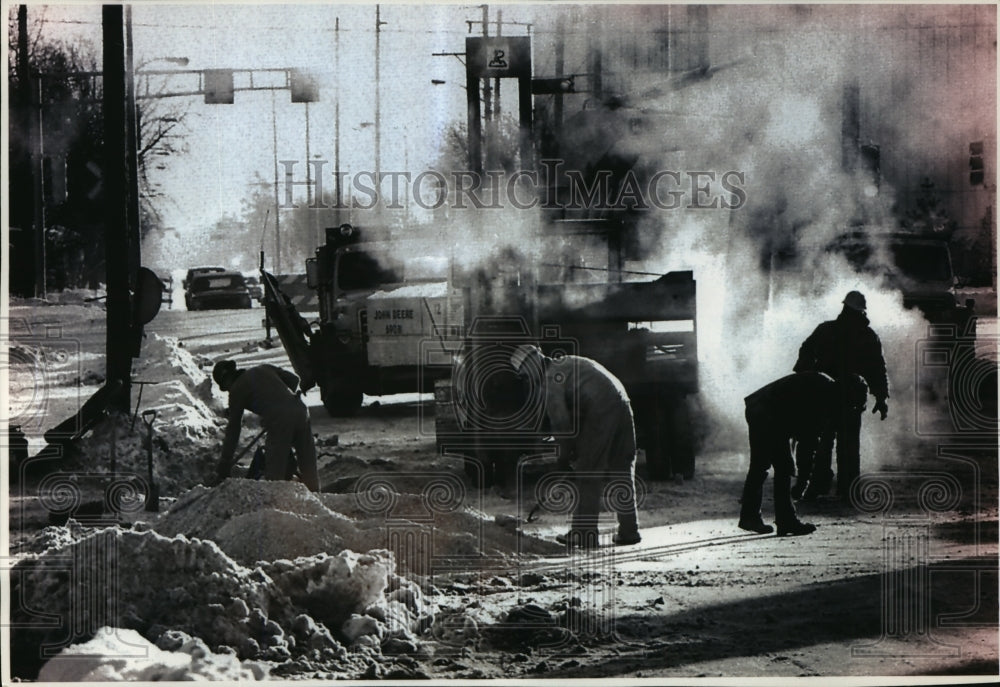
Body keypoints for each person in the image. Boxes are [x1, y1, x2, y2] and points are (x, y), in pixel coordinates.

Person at [510, 344, 641, 548]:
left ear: (529, 365)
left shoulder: (550, 381)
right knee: (622, 467)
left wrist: (564, 458)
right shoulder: (566, 362)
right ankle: (629, 531)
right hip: (621, 400)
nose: (527, 379)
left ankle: (584, 533)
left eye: (524, 375)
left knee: (588, 472)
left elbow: (562, 426)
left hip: (600, 409)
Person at [739, 371, 868, 536]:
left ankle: (751, 517)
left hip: (760, 408)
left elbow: (806, 438)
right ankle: (784, 521)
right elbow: (808, 442)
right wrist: (803, 481)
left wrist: (803, 479)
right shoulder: (822, 395)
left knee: (762, 465)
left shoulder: (826, 388)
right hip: (766, 412)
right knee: (782, 466)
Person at [793, 290, 889, 499]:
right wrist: (881, 398)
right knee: (841, 444)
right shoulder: (865, 335)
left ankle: (824, 484)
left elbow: (876, 368)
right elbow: (877, 369)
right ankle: (843, 488)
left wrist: (881, 397)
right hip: (841, 397)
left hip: (833, 397)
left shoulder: (828, 330)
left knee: (824, 443)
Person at [212, 360, 320, 492]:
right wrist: (283, 401)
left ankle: (277, 507)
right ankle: (316, 498)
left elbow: (234, 429)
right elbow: (294, 379)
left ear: (226, 380)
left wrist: (225, 461)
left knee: (275, 471)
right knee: (308, 463)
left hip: (280, 421)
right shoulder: (263, 368)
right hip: (300, 409)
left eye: (225, 387)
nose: (227, 390)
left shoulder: (236, 390)